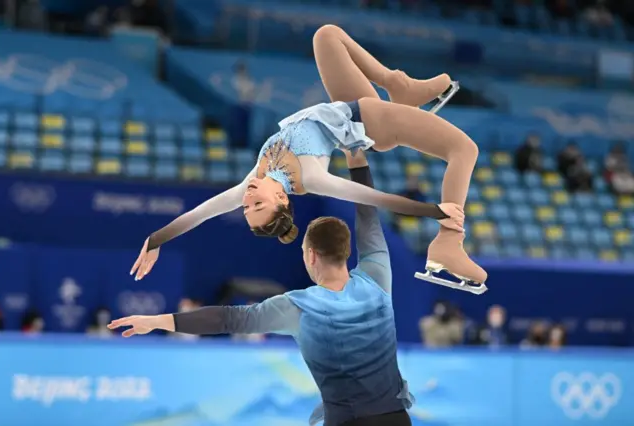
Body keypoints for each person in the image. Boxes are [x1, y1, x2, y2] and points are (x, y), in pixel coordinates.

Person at [131, 25, 485, 287]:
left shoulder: (254, 178)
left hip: (349, 105)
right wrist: (433, 211)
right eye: (257, 206)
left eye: (246, 208)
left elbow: (199, 213)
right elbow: (372, 197)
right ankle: (448, 243)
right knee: (464, 149)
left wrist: (154, 240)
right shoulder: (312, 177)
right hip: (369, 122)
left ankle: (399, 85)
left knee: (326, 36)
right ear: (282, 198)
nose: (247, 200)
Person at [110, 150, 415, 426]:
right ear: (347, 251)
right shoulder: (377, 278)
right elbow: (368, 218)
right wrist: (357, 159)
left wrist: (156, 321)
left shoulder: (297, 307)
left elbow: (227, 319)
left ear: (310, 255)